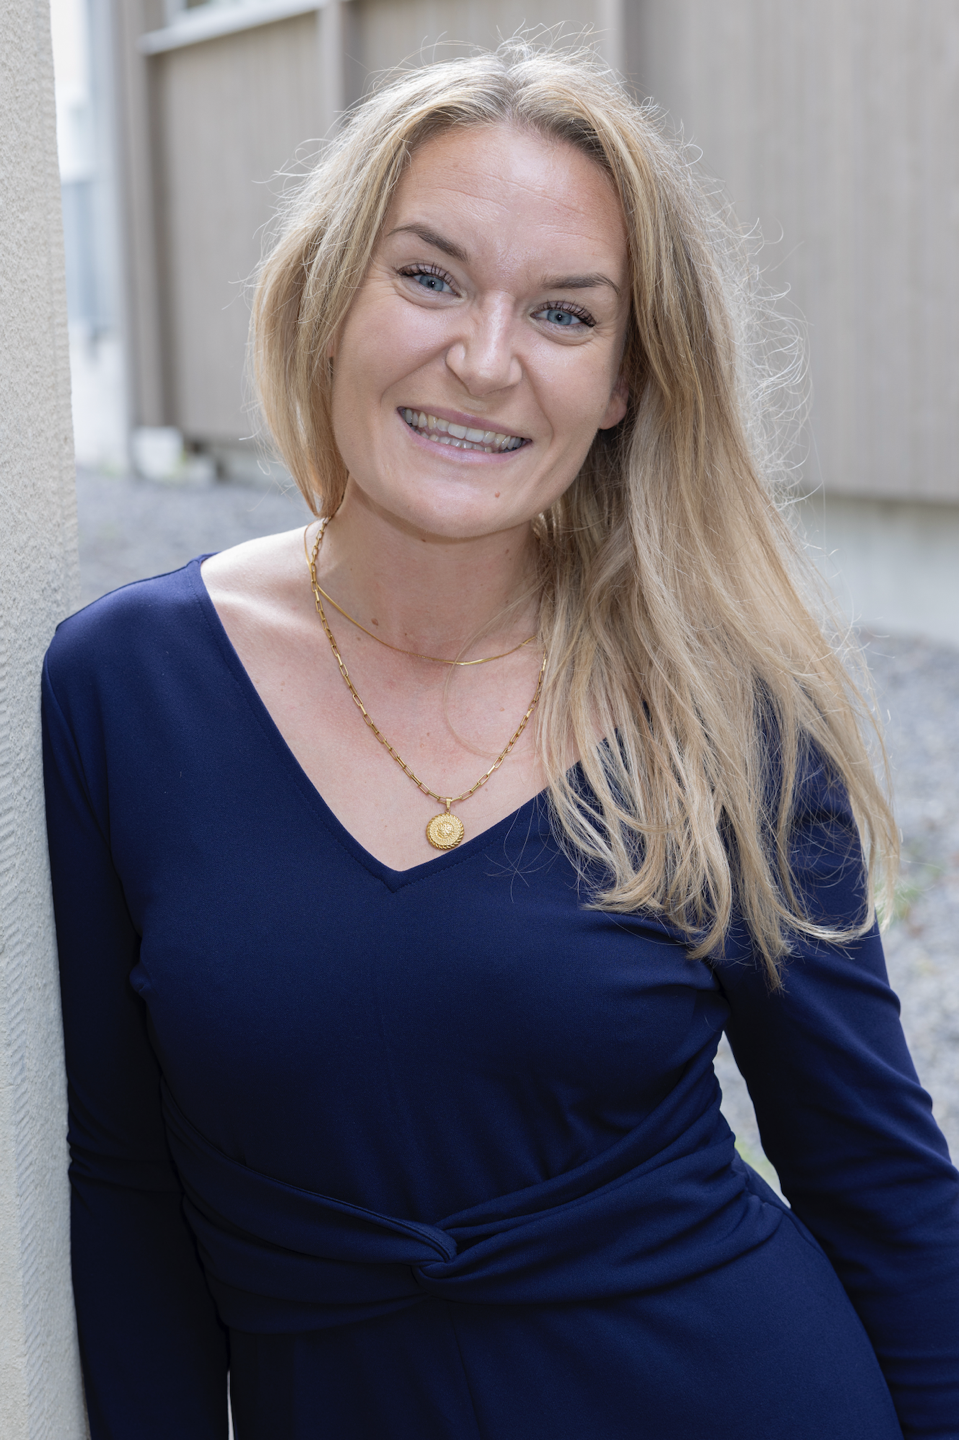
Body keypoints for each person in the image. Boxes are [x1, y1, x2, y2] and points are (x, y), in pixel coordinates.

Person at [43, 41, 958, 1440]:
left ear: (625, 387)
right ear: (326, 296)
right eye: (426, 276)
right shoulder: (125, 684)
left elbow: (875, 1177)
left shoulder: (722, 705)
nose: (481, 361)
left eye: (565, 315)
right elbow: (122, 1182)